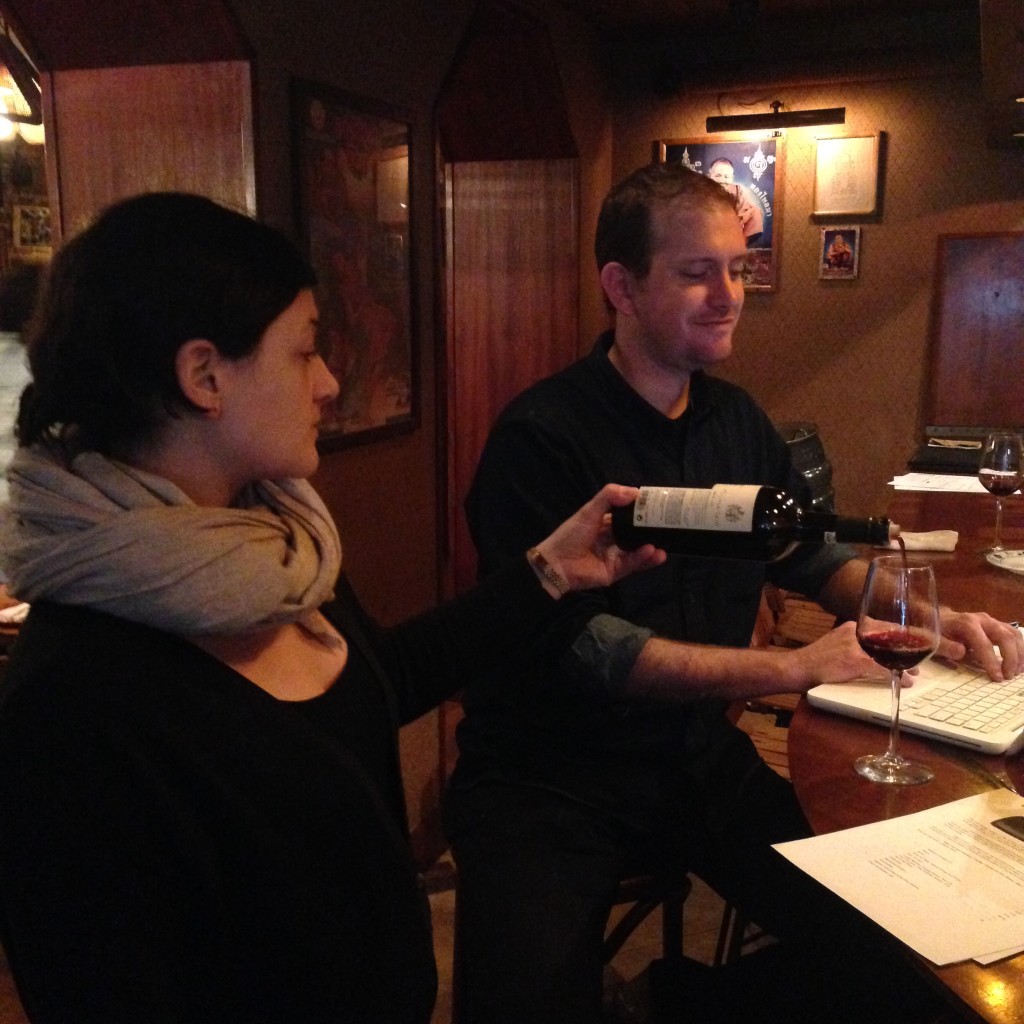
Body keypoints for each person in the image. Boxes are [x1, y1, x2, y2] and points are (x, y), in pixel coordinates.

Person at [0, 192, 665, 1024]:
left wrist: (549, 573)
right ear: (204, 375)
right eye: (304, 353)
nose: (329, 382)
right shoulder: (74, 701)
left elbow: (374, 679)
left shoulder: (274, 548)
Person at [443, 162, 1024, 1024]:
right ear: (621, 286)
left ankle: (671, 998)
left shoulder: (736, 421)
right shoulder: (543, 437)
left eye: (739, 268)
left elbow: (812, 560)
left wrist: (934, 619)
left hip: (694, 761)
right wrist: (789, 670)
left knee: (890, 959)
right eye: (696, 272)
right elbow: (595, 654)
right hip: (548, 780)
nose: (728, 294)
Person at [706, 156, 764, 247]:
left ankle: (739, 246)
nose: (722, 180)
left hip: (731, 226)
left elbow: (743, 209)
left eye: (726, 176)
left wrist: (735, 223)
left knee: (755, 212)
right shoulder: (702, 190)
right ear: (709, 176)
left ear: (732, 178)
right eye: (718, 176)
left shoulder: (737, 190)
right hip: (709, 227)